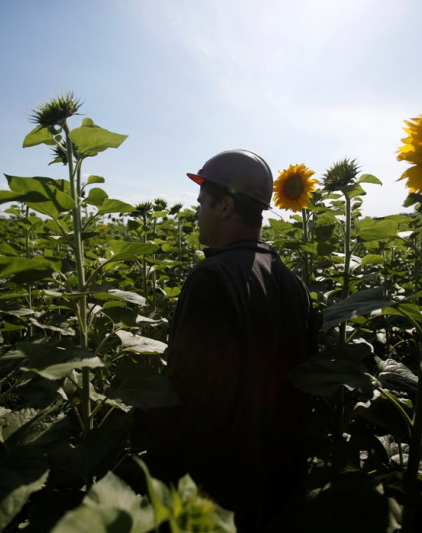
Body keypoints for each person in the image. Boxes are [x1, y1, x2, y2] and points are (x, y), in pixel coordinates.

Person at [135, 149, 317, 531]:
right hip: (278, 485)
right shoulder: (292, 283)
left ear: (226, 206)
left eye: (202, 203)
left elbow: (191, 397)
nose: (197, 213)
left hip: (217, 491)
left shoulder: (212, 278)